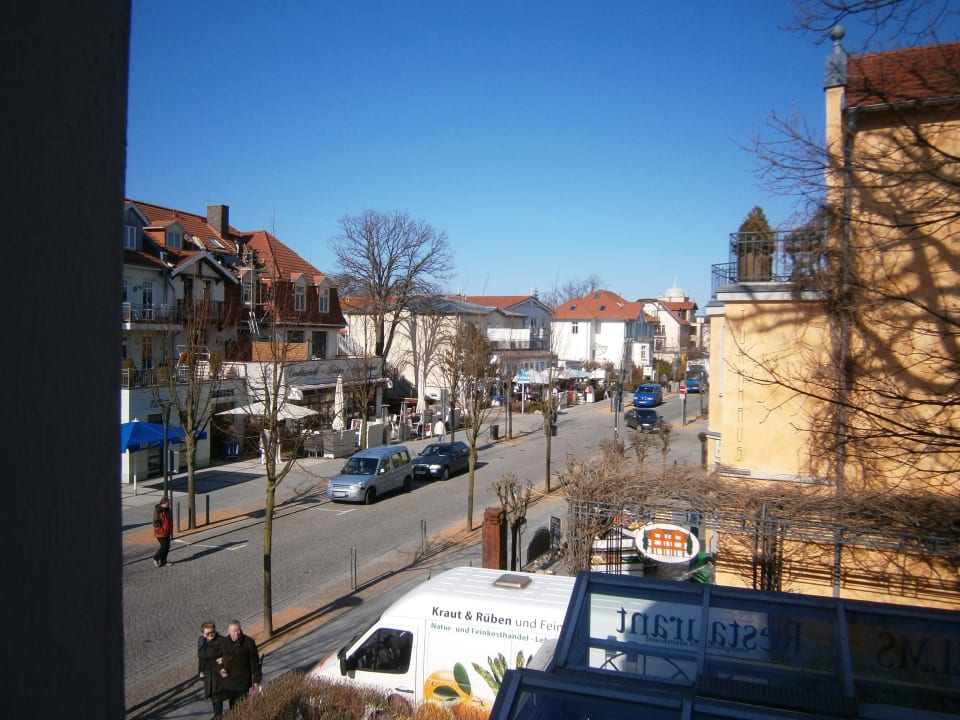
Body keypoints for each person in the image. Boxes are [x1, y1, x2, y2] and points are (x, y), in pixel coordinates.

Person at [220, 619, 262, 710]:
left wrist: (256, 680)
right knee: (232, 707)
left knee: (242, 706)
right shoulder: (224, 643)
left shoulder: (248, 642)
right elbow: (218, 660)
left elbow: (254, 663)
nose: (237, 633)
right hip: (229, 681)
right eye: (234, 631)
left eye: (238, 630)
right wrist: (221, 669)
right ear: (229, 631)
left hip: (242, 681)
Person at [197, 621, 226, 718]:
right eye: (207, 633)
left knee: (217, 697)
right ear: (203, 633)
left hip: (217, 673)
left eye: (212, 632)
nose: (210, 635)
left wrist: (223, 659)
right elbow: (201, 657)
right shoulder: (201, 640)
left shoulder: (221, 640)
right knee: (212, 696)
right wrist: (201, 671)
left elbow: (230, 653)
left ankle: (218, 716)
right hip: (208, 673)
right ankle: (217, 715)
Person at [152, 496, 172, 567]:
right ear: (163, 503)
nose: (168, 505)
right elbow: (155, 522)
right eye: (167, 503)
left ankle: (163, 561)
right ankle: (156, 557)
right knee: (164, 546)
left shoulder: (167, 510)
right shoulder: (158, 511)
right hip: (161, 533)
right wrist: (161, 530)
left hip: (167, 531)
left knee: (167, 547)